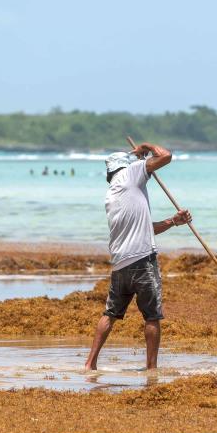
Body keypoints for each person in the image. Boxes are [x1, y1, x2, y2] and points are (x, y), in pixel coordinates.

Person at [85, 142, 191, 371]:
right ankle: (151, 368)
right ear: (125, 167)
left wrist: (173, 221)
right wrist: (146, 146)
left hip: (120, 264)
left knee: (110, 314)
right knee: (152, 317)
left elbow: (145, 227)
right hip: (143, 261)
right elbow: (165, 156)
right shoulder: (130, 174)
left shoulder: (112, 194)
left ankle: (90, 363)